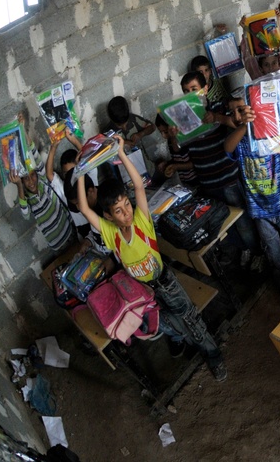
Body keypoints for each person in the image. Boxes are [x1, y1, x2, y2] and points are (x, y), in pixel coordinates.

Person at [76, 137, 227, 381]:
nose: (126, 212)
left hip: (164, 281)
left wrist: (122, 153)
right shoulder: (111, 233)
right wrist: (81, 170)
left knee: (191, 320)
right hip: (144, 292)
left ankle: (214, 357)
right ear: (108, 216)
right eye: (118, 210)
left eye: (126, 205)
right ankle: (188, 337)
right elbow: (84, 208)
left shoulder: (140, 220)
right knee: (164, 324)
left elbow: (137, 186)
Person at [225, 92, 280, 304]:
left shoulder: (272, 132)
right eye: (232, 112)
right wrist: (245, 125)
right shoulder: (241, 140)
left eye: (242, 109)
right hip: (260, 211)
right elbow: (227, 148)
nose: (237, 115)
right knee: (273, 253)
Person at [178, 71, 261, 270]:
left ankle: (257, 252)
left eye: (194, 89)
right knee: (222, 222)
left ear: (205, 89)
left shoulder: (219, 108)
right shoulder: (184, 118)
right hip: (207, 181)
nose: (190, 94)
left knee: (243, 221)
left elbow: (237, 123)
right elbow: (184, 149)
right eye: (185, 91)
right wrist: (175, 135)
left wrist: (216, 118)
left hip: (228, 177)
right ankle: (242, 249)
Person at [11, 130, 77, 253]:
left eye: (32, 175)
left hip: (70, 230)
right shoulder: (27, 199)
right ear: (22, 181)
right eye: (25, 179)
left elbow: (34, 153)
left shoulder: (43, 180)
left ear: (36, 173)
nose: (30, 181)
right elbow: (25, 215)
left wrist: (23, 129)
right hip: (57, 244)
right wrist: (19, 185)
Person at [153, 114, 198, 187]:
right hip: (186, 182)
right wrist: (167, 164)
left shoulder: (185, 140)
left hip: (197, 181)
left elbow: (193, 164)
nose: (163, 136)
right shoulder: (170, 141)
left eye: (165, 132)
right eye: (161, 132)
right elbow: (177, 158)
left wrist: (176, 166)